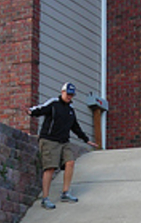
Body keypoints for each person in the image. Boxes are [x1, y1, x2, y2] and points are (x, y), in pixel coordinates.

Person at [28, 82, 97, 210]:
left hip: (64, 141)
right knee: (50, 168)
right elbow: (40, 109)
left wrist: (86, 139)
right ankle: (45, 198)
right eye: (68, 94)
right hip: (49, 140)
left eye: (71, 95)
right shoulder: (54, 103)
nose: (69, 97)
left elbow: (75, 127)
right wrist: (31, 112)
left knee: (70, 162)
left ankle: (65, 193)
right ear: (62, 92)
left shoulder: (70, 110)